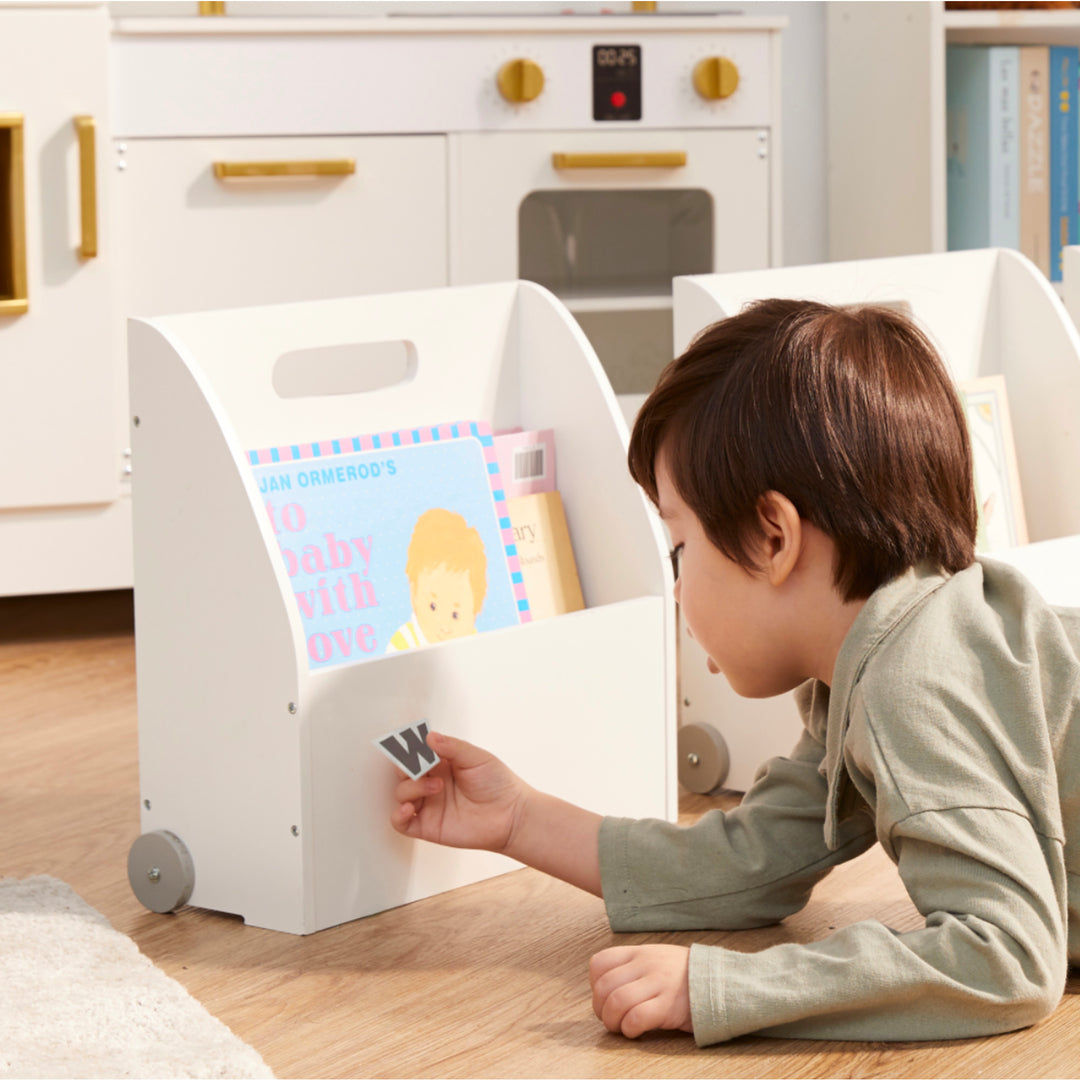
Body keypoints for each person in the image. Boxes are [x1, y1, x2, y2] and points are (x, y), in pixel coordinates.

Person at [390, 299, 1080, 1045]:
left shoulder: (913, 685)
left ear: (773, 536)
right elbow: (754, 862)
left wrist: (722, 986)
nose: (678, 589)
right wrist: (519, 819)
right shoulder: (877, 660)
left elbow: (1004, 955)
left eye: (680, 549)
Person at [386, 507, 487, 651]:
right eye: (433, 607)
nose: (444, 627)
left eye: (455, 615)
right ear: (414, 595)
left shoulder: (475, 643)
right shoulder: (403, 643)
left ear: (475, 613)